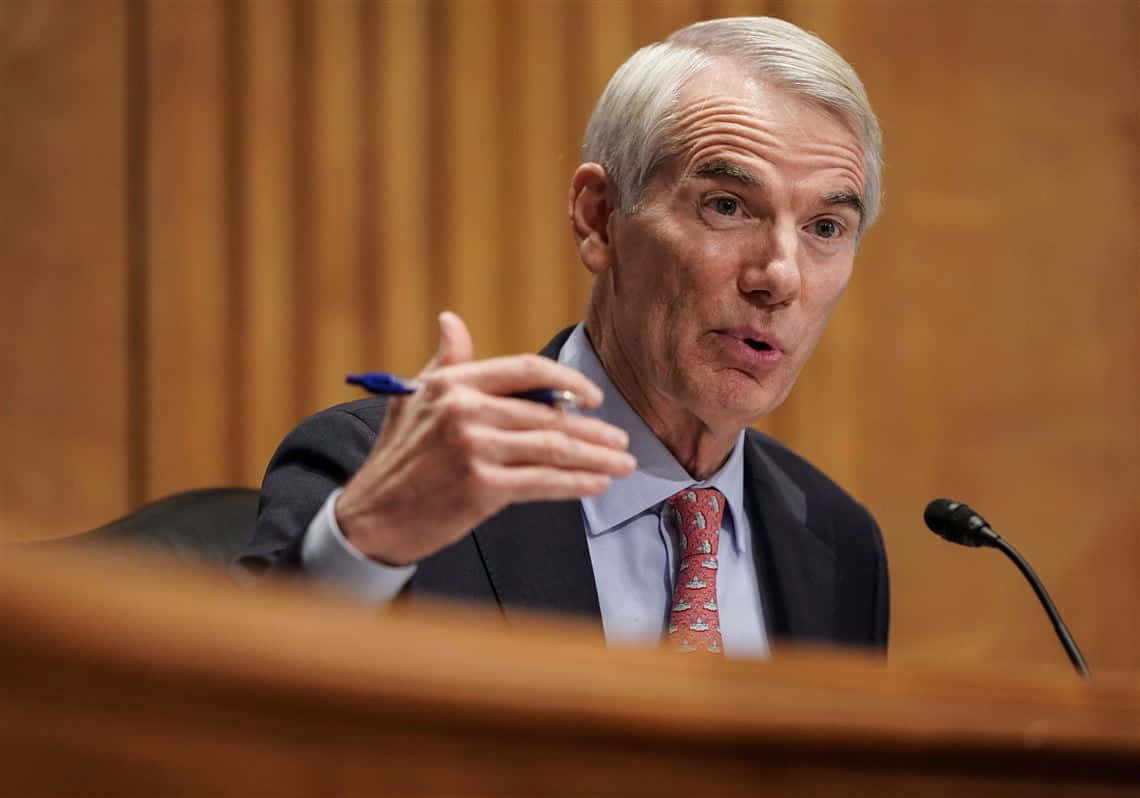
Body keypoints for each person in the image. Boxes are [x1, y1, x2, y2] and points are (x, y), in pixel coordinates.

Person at [238, 16, 888, 657]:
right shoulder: (385, 474)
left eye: (825, 228)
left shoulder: (838, 543)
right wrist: (366, 540)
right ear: (600, 218)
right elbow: (223, 726)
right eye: (726, 205)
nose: (779, 276)